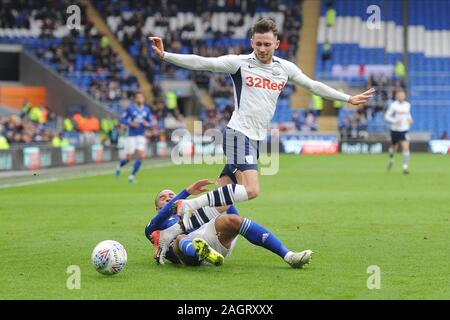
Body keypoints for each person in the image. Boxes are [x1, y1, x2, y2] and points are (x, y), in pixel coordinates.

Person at [149, 18, 374, 225]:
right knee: (252, 189)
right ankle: (189, 204)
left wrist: (347, 98)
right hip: (237, 133)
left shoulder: (284, 68)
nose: (263, 49)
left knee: (223, 199)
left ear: (277, 43)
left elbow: (313, 86)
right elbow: (203, 62)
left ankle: (179, 230)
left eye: (267, 44)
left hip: (255, 139)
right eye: (258, 44)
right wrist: (166, 55)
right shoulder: (239, 63)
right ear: (252, 42)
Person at [144, 179, 313, 268]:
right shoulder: (153, 226)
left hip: (205, 239)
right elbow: (165, 213)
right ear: (156, 207)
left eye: (170, 195)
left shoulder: (189, 215)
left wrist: (223, 194)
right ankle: (199, 252)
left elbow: (227, 211)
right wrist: (186, 192)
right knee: (180, 237)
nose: (168, 198)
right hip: (183, 254)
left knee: (233, 219)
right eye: (163, 197)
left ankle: (289, 256)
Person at [115, 91, 152, 183]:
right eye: (138, 97)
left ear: (143, 99)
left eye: (141, 97)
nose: (139, 99)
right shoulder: (130, 109)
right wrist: (130, 123)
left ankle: (131, 176)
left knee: (141, 156)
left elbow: (150, 122)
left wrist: (148, 123)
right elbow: (122, 119)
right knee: (129, 157)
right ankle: (119, 166)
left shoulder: (146, 110)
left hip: (141, 136)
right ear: (135, 99)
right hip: (131, 136)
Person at [384, 89, 413, 174]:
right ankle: (391, 160)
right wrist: (394, 121)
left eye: (402, 95)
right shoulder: (393, 105)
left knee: (406, 147)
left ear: (404, 96)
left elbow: (408, 114)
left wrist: (410, 119)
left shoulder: (407, 105)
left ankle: (405, 167)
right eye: (399, 95)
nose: (401, 96)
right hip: (395, 130)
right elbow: (386, 116)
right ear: (397, 96)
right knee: (394, 148)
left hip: (404, 130)